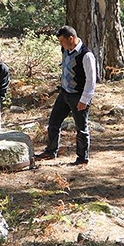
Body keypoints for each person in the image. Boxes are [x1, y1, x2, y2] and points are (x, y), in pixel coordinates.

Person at [34, 25, 96, 165]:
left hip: (79, 96)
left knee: (81, 128)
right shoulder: (65, 49)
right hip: (64, 93)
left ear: (71, 38)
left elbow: (91, 80)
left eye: (62, 41)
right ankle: (50, 152)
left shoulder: (86, 55)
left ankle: (82, 158)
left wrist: (84, 100)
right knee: (54, 123)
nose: (60, 44)